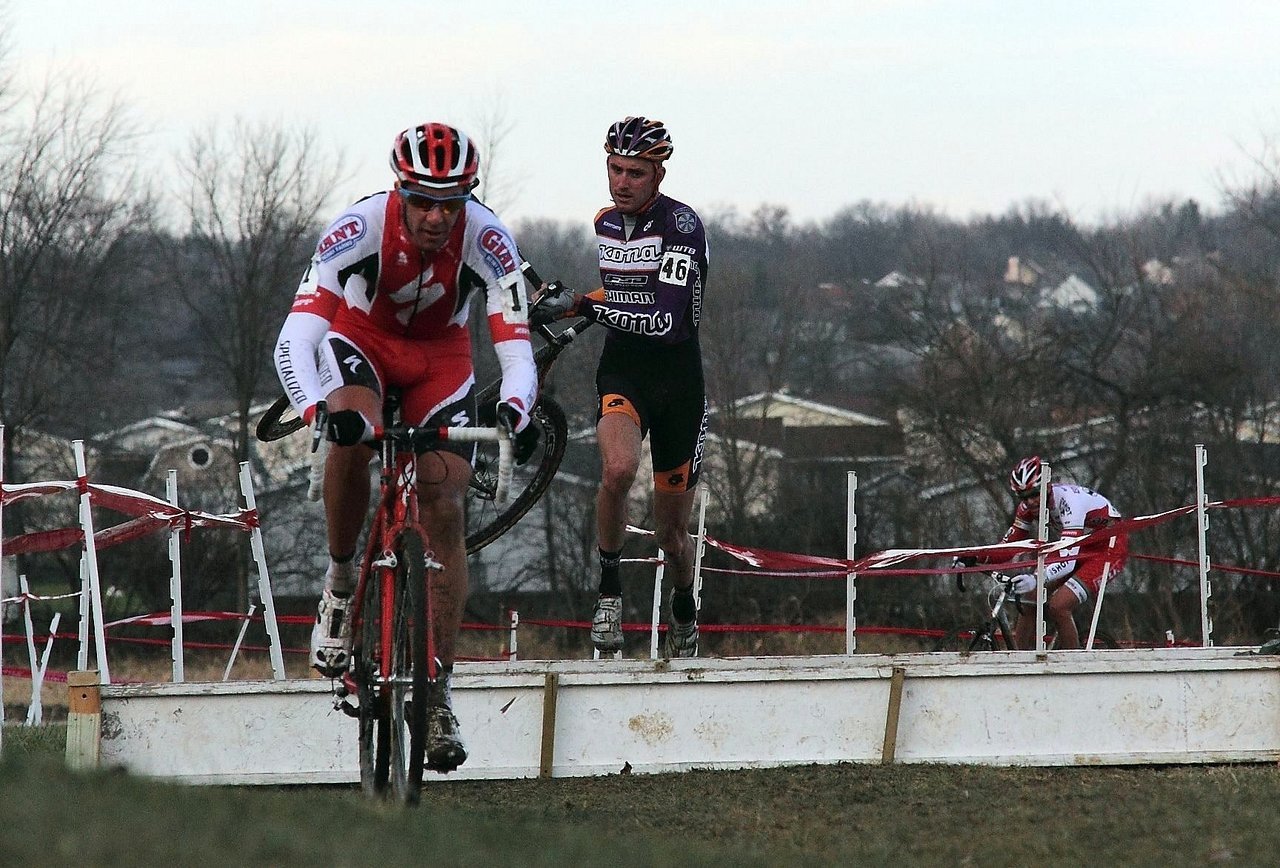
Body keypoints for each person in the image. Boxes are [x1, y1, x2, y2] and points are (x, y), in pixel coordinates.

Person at [272, 122, 538, 771]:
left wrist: (514, 409)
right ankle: (339, 587)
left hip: (440, 361)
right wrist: (316, 412)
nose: (434, 216)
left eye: (449, 203)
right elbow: (295, 339)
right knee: (353, 438)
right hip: (361, 340)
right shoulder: (358, 227)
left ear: (466, 199)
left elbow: (515, 349)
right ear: (400, 192)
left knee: (445, 498)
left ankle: (437, 689)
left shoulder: (488, 237)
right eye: (422, 200)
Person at [531, 116, 709, 658]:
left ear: (658, 173)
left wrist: (587, 305)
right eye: (614, 169)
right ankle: (609, 591)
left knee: (669, 536)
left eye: (634, 172)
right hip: (623, 369)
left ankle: (683, 603)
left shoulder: (680, 225)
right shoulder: (607, 222)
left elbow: (665, 319)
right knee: (615, 470)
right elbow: (622, 290)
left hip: (677, 377)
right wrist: (574, 300)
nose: (621, 182)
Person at [982, 456, 1129, 650]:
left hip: (1108, 547)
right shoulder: (1027, 508)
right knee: (1029, 599)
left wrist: (1036, 578)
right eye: (1023, 497)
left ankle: (1071, 667)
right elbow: (1009, 546)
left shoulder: (1069, 503)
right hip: (1080, 545)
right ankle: (1019, 664)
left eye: (1034, 494)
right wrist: (976, 557)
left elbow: (1067, 560)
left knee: (1059, 606)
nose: (1030, 502)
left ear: (1047, 486)